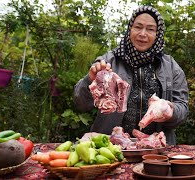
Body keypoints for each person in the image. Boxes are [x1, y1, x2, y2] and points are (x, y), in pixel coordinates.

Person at [73, 5, 189, 145]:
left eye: (150, 29)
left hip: (157, 151)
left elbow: (182, 108)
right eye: (138, 27)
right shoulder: (108, 62)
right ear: (129, 29)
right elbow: (81, 104)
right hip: (111, 149)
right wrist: (90, 79)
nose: (143, 34)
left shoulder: (171, 67)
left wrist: (170, 111)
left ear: (158, 34)